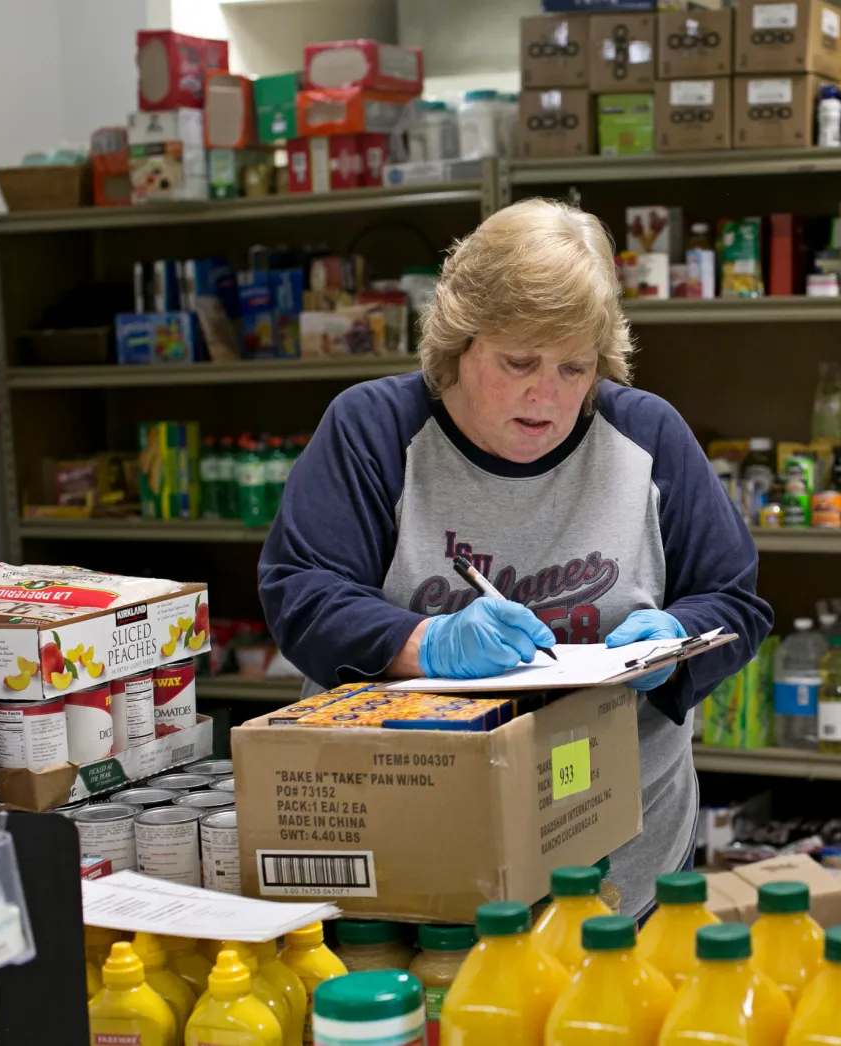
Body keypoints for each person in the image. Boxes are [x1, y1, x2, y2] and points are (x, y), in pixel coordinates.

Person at [258, 198, 772, 919]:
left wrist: (677, 642)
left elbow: (735, 600)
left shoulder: (647, 436)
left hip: (620, 850)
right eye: (519, 361)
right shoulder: (373, 431)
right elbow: (302, 592)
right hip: (410, 847)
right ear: (459, 342)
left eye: (574, 368)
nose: (547, 394)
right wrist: (424, 643)